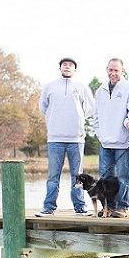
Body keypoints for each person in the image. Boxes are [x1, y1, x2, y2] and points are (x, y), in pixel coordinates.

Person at [35, 57, 95, 217]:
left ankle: (80, 207)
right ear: (60, 67)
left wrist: (79, 118)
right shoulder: (49, 87)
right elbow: (43, 106)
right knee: (53, 176)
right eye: (64, 65)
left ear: (75, 69)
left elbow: (90, 107)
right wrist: (55, 119)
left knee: (78, 176)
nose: (67, 67)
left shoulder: (81, 86)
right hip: (55, 138)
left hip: (76, 139)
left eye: (70, 65)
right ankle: (49, 208)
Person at [93, 58, 129, 218]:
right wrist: (100, 135)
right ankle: (109, 207)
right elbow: (96, 116)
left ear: (123, 71)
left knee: (123, 177)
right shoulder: (100, 91)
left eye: (116, 70)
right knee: (105, 178)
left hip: (123, 142)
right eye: (110, 70)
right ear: (107, 70)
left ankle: (124, 206)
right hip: (105, 142)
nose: (113, 73)